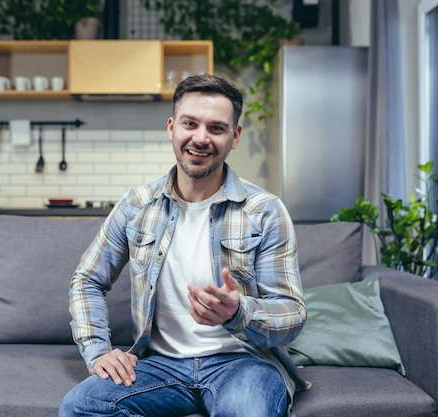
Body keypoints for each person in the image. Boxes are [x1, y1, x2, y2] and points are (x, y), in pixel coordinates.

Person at [59, 74, 308, 417]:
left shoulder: (264, 211)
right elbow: (87, 279)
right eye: (190, 124)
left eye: (216, 128)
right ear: (172, 127)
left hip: (242, 363)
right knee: (82, 406)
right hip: (159, 365)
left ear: (234, 137)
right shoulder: (136, 205)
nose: (201, 138)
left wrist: (238, 313)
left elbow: (292, 313)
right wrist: (99, 351)